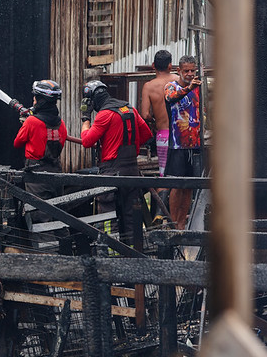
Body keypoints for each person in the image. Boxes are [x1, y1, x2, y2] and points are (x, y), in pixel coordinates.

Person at [80, 80, 153, 247]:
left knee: (107, 214)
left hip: (111, 170)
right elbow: (147, 135)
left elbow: (86, 141)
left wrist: (85, 119)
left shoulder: (104, 115)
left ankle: (110, 254)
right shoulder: (129, 109)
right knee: (130, 214)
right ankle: (134, 253)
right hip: (132, 170)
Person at [13, 80, 68, 208]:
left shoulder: (32, 122)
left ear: (41, 100)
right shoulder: (61, 124)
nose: (33, 101)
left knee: (39, 216)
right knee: (58, 213)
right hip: (56, 173)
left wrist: (25, 125)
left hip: (36, 176)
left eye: (35, 98)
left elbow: (17, 143)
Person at [139, 50, 178, 224]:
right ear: (170, 65)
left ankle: (159, 213)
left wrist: (156, 120)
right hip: (180, 134)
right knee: (179, 174)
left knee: (164, 174)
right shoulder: (178, 80)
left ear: (153, 66)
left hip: (162, 135)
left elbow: (145, 114)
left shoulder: (149, 86)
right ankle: (173, 217)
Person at [164, 55, 202, 230]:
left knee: (189, 186)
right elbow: (171, 98)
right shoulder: (171, 87)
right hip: (178, 143)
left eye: (192, 71)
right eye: (186, 71)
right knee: (177, 185)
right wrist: (188, 88)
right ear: (178, 71)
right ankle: (173, 222)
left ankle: (182, 223)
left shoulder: (198, 88)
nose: (189, 74)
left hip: (194, 144)